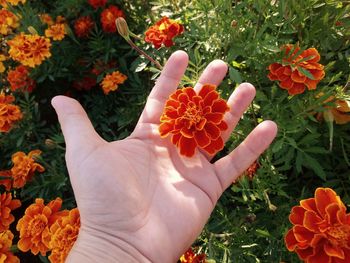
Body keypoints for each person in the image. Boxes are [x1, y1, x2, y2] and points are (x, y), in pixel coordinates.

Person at [51, 51, 277, 263]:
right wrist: (111, 240)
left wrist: (111, 246)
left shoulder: (206, 120)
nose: (191, 113)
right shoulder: (175, 127)